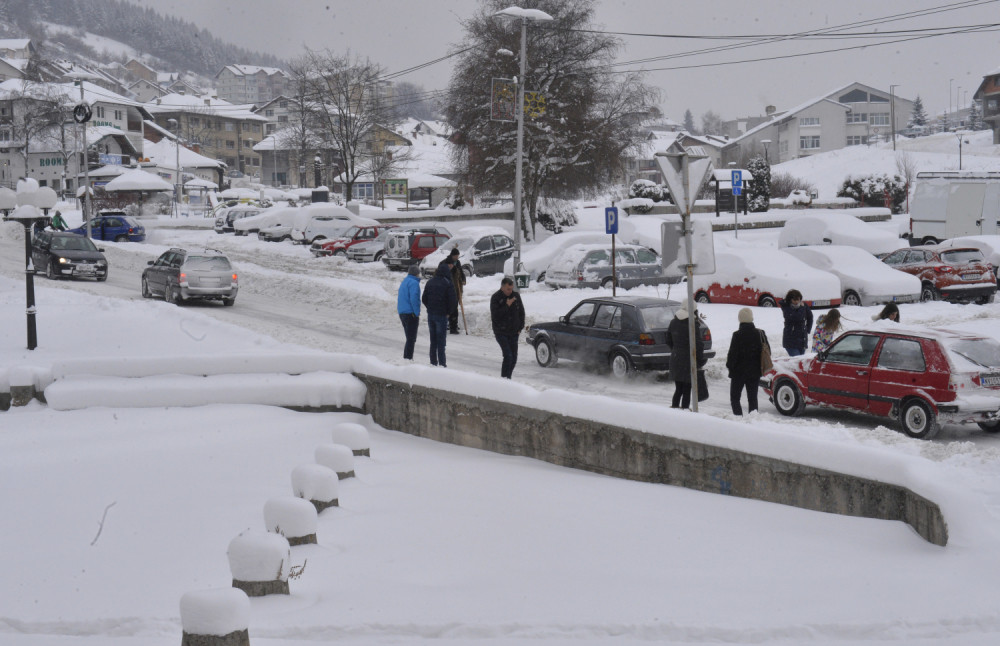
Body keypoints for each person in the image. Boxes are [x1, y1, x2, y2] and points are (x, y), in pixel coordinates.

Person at [726, 308, 767, 415]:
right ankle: (753, 419)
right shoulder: (760, 333)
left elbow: (732, 355)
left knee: (735, 398)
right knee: (753, 398)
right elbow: (767, 352)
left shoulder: (737, 335)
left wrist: (730, 367)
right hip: (755, 371)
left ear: (740, 319)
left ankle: (738, 418)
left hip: (738, 372)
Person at [666, 304, 705, 409]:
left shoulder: (673, 322)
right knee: (687, 389)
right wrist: (700, 360)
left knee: (678, 388)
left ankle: (674, 409)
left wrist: (677, 350)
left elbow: (668, 340)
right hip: (689, 360)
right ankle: (684, 413)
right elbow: (698, 344)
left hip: (675, 358)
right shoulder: (692, 324)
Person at [421, 260, 457, 367]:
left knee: (433, 342)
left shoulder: (430, 282)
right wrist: (448, 313)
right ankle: (442, 365)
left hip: (431, 315)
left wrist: (430, 307)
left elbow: (424, 298)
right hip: (441, 315)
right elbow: (453, 301)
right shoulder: (448, 283)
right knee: (441, 343)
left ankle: (433, 363)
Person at [490, 277, 525, 379]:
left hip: (514, 332)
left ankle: (507, 378)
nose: (510, 291)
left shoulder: (516, 296)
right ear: (502, 288)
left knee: (514, 358)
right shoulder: (496, 298)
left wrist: (520, 327)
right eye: (508, 289)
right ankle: (504, 379)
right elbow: (495, 316)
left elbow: (521, 313)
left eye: (511, 289)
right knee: (508, 356)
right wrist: (506, 305)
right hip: (501, 332)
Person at [397, 265, 421, 360]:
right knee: (411, 339)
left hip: (402, 312)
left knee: (409, 338)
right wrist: (416, 312)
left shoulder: (405, 281)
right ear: (416, 273)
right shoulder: (414, 283)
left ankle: (407, 358)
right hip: (410, 313)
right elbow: (414, 299)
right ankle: (408, 359)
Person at [780, 289, 813, 357]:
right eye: (794, 300)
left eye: (798, 299)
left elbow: (810, 317)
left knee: (800, 361)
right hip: (791, 341)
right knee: (797, 360)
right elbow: (796, 317)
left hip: (802, 340)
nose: (796, 302)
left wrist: (807, 330)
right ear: (790, 299)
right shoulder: (786, 307)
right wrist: (802, 307)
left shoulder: (804, 306)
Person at [447, 247, 466, 334]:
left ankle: (453, 324)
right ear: (453, 255)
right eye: (456, 256)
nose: (457, 257)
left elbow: (461, 272)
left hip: (457, 288)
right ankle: (451, 324)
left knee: (455, 306)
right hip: (450, 288)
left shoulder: (457, 262)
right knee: (451, 307)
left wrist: (463, 279)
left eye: (458, 256)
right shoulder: (446, 262)